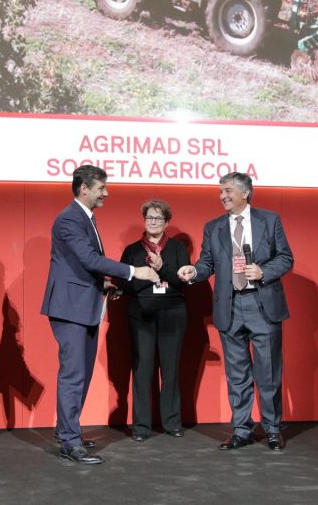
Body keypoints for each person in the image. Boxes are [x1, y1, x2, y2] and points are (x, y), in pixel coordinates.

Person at [41, 165, 161, 464]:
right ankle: (69, 441)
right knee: (74, 375)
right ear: (84, 188)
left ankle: (67, 430)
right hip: (70, 308)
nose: (106, 192)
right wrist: (136, 271)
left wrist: (104, 283)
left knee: (80, 373)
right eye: (101, 187)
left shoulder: (83, 217)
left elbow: (80, 265)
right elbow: (89, 258)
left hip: (85, 305)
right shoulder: (69, 218)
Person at [178, 172, 293, 452]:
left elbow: (286, 257)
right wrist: (194, 271)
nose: (223, 196)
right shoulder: (214, 226)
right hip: (229, 306)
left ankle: (272, 429)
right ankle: (241, 429)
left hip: (261, 303)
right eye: (220, 192)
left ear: (246, 193)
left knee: (268, 372)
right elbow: (207, 262)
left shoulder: (269, 220)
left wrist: (264, 271)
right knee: (237, 374)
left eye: (228, 191)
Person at [119, 200, 191, 442]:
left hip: (173, 312)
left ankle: (172, 423)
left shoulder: (178, 248)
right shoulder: (132, 250)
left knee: (170, 369)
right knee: (142, 368)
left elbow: (183, 281)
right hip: (141, 313)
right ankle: (141, 426)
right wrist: (147, 277)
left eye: (158, 218)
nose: (152, 221)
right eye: (149, 217)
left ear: (166, 222)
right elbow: (124, 284)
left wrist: (163, 268)